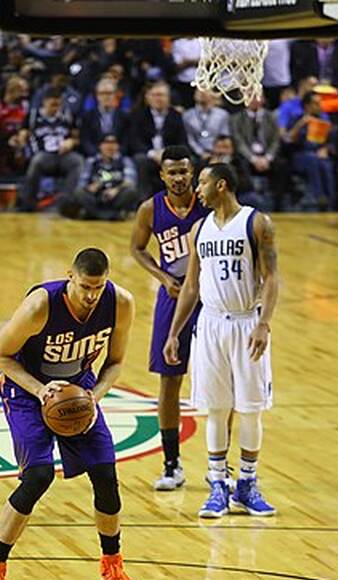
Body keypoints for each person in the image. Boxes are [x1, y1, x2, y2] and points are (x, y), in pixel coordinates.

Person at [0, 248, 140, 580]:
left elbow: (116, 363)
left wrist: (95, 395)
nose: (91, 295)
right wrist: (40, 391)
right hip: (25, 390)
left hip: (78, 392)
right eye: (84, 287)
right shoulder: (40, 305)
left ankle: (112, 567)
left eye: (98, 287)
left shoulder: (121, 304)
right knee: (38, 476)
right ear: (70, 277)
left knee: (105, 475)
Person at [164, 163, 280, 518]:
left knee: (249, 409)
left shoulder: (257, 223)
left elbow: (272, 278)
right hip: (211, 324)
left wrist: (264, 323)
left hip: (247, 322)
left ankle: (246, 485)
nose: (196, 188)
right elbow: (191, 286)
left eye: (202, 182)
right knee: (215, 408)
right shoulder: (199, 229)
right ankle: (217, 485)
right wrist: (173, 332)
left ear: (222, 185)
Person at [129, 146, 209, 490]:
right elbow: (137, 247)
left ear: (193, 174)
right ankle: (171, 464)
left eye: (184, 172)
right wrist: (163, 278)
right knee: (169, 380)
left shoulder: (208, 205)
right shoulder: (151, 208)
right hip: (171, 297)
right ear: (162, 176)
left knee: (219, 381)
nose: (178, 177)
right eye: (172, 172)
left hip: (210, 299)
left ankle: (221, 467)